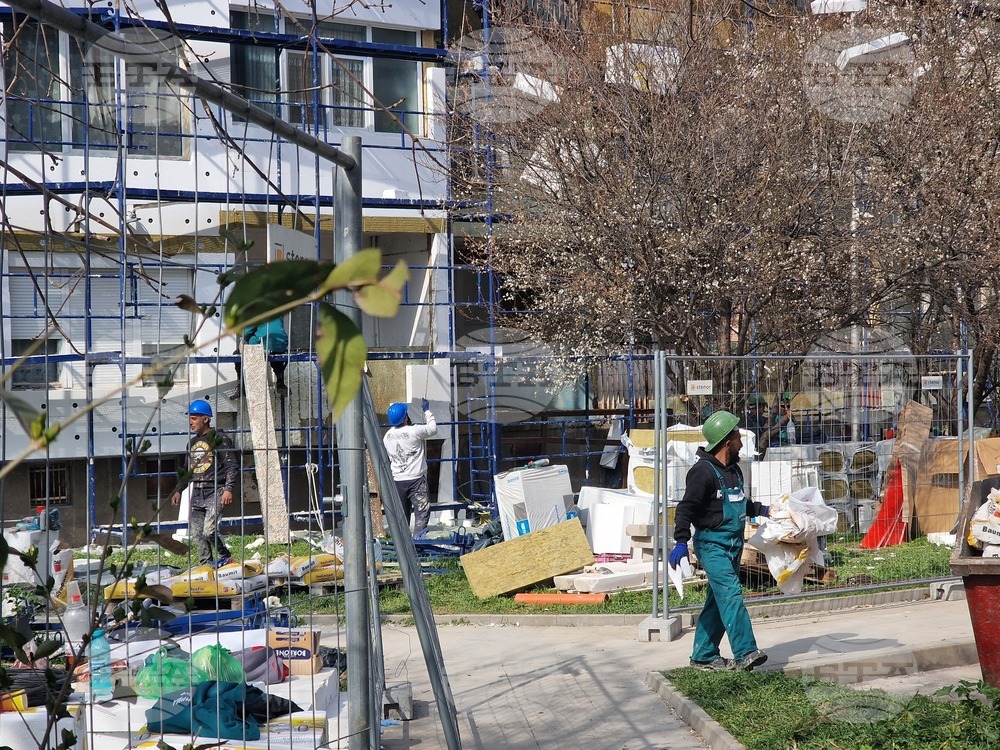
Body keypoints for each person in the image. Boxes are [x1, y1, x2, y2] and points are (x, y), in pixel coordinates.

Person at [669, 410, 770, 671]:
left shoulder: (734, 471)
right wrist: (681, 541)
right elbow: (686, 509)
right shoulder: (702, 472)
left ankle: (703, 655)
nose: (741, 439)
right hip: (712, 545)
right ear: (727, 440)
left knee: (717, 601)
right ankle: (746, 651)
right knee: (731, 595)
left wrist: (764, 511)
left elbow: (740, 503)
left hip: (734, 545)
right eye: (737, 435)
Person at [171, 399, 239, 565]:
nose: (190, 422)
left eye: (194, 418)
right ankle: (206, 565)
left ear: (206, 419)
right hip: (198, 492)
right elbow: (189, 470)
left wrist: (229, 489)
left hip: (216, 490)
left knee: (209, 530)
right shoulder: (192, 443)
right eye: (190, 418)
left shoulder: (220, 439)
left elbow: (232, 465)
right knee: (197, 534)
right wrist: (179, 490)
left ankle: (226, 556)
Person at [383, 399, 437, 538]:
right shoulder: (415, 430)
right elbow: (432, 429)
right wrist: (427, 411)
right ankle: (418, 541)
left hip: (397, 481)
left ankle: (403, 544)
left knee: (402, 515)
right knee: (421, 512)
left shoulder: (387, 436)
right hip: (416, 480)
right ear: (406, 417)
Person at [232, 318, 289, 397]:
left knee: (237, 354)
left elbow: (247, 331)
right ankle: (279, 381)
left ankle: (242, 386)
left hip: (263, 342)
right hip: (282, 343)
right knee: (276, 353)